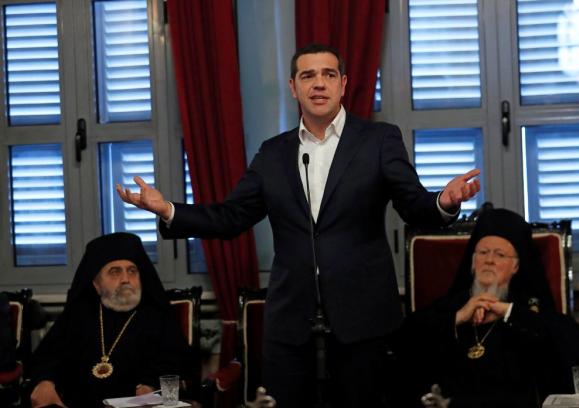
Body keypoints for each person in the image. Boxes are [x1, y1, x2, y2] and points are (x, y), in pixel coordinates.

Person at [117, 43, 480, 407]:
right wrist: (168, 209)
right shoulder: (273, 153)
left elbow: (413, 205)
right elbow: (230, 217)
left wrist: (443, 201)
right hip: (291, 322)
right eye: (308, 76)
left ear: (343, 84)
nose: (318, 83)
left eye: (328, 74)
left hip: (364, 319)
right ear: (293, 87)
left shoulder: (378, 140)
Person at [398, 208, 579, 408]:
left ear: (516, 266)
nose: (489, 260)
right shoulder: (453, 305)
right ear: (473, 262)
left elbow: (578, 350)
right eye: (483, 252)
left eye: (500, 255)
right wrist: (458, 318)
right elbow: (404, 340)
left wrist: (508, 312)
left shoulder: (528, 309)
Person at [29, 232, 191, 408]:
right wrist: (45, 382)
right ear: (96, 285)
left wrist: (149, 385)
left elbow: (175, 364)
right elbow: (47, 358)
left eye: (132, 271)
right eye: (115, 272)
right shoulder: (78, 315)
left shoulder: (156, 316)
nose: (125, 279)